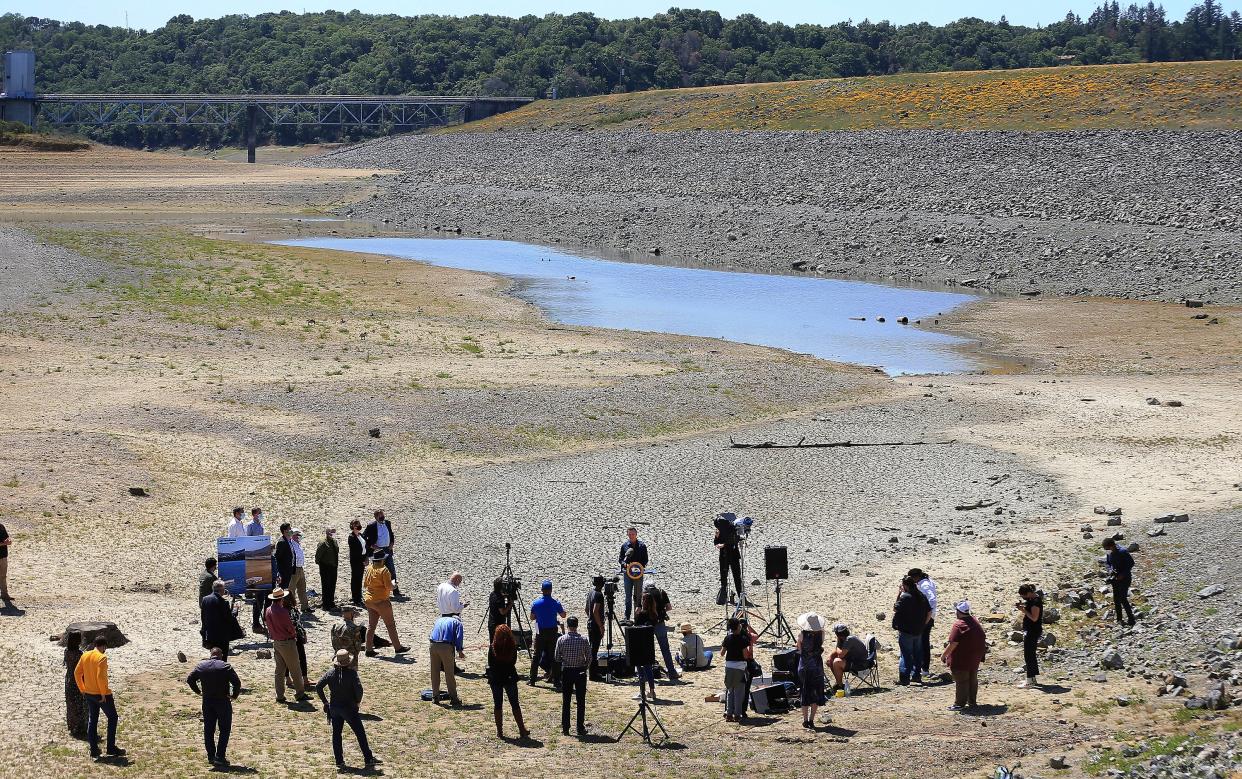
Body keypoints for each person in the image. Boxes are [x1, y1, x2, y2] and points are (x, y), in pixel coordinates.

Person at [316, 649, 380, 770]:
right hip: (349, 708)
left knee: (336, 735)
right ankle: (368, 758)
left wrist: (325, 702)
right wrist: (357, 702)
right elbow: (359, 690)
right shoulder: (352, 674)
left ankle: (339, 761)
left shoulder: (330, 673)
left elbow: (319, 686)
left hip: (334, 708)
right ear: (348, 662)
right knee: (360, 733)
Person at [186, 646, 241, 767]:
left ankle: (211, 755)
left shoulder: (201, 666)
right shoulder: (225, 666)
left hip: (207, 701)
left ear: (210, 655)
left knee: (209, 729)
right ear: (221, 655)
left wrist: (198, 692)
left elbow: (190, 679)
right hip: (223, 701)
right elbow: (237, 683)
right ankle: (220, 756)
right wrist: (234, 696)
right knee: (224, 729)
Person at [73, 635, 126, 759]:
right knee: (112, 718)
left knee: (93, 719)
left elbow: (77, 673)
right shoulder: (102, 658)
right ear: (103, 646)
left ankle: (93, 749)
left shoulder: (85, 655)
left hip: (89, 693)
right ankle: (111, 748)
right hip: (101, 694)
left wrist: (82, 689)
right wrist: (103, 694)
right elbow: (100, 677)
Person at [263, 587, 309, 703]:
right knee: (295, 668)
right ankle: (300, 694)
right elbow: (290, 627)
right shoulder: (282, 611)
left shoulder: (268, 610)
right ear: (281, 598)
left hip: (276, 642)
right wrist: (293, 635)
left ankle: (280, 695)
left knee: (279, 670)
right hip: (287, 642)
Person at [942, 600, 986, 711]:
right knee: (972, 679)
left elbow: (953, 643)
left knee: (961, 680)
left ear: (958, 612)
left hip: (962, 658)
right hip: (975, 656)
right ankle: (972, 701)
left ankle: (959, 704)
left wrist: (944, 655)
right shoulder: (975, 621)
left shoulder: (959, 625)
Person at [487, 624, 529, 740]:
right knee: (515, 703)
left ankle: (499, 732)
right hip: (509, 676)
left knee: (498, 704)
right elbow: (513, 661)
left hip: (496, 677)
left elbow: (490, 663)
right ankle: (522, 729)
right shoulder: (512, 647)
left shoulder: (493, 646)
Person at [363, 552, 408, 657]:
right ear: (382, 560)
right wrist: (394, 586)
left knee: (371, 626)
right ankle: (397, 647)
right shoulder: (384, 570)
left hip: (369, 600)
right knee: (390, 625)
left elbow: (365, 584)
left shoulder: (369, 568)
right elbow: (389, 587)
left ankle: (368, 649)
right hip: (381, 601)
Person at [554, 616, 592, 736]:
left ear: (568, 625)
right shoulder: (584, 639)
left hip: (567, 671)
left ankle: (566, 727)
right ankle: (580, 727)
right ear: (577, 625)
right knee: (581, 701)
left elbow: (556, 657)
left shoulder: (561, 639)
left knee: (566, 700)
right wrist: (584, 667)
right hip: (580, 671)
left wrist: (564, 661)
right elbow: (590, 657)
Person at [892, 575, 929, 685]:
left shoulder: (905, 597)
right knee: (917, 653)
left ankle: (904, 677)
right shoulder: (921, 595)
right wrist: (923, 625)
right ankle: (916, 675)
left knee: (905, 654)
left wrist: (899, 593)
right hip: (918, 630)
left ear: (905, 586)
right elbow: (929, 612)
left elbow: (895, 608)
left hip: (906, 630)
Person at [529, 579, 566, 688]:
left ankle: (532, 680)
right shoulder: (555, 603)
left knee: (536, 655)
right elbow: (563, 615)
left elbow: (532, 617)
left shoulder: (536, 603)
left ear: (542, 590)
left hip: (540, 631)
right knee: (554, 656)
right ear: (551, 590)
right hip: (552, 631)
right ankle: (556, 681)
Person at [642, 581, 680, 682]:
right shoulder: (661, 592)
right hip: (660, 623)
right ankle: (672, 672)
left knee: (648, 650)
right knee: (665, 649)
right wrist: (660, 612)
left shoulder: (644, 595)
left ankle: (647, 674)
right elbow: (669, 607)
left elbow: (639, 610)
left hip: (647, 625)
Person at [796, 612, 827, 729]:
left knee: (805, 691)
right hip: (817, 665)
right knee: (815, 692)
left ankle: (805, 720)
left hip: (804, 665)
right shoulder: (821, 634)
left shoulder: (801, 634)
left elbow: (799, 648)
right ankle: (811, 719)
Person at [429, 613, 465, 706]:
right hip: (446, 646)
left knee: (435, 671)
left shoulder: (439, 620)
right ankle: (454, 698)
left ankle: (435, 697)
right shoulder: (458, 623)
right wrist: (460, 650)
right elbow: (459, 637)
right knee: (449, 673)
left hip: (433, 645)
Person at [201, 580, 243, 658]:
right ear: (222, 590)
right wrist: (235, 610)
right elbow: (229, 618)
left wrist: (203, 632)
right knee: (222, 657)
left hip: (210, 633)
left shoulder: (205, 599)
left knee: (214, 655)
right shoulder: (223, 602)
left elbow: (203, 617)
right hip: (221, 635)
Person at [362, 509, 399, 597]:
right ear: (376, 517)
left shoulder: (387, 523)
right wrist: (371, 545)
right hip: (377, 552)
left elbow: (391, 534)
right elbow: (363, 537)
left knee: (391, 570)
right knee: (377, 571)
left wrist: (392, 543)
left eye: (383, 515)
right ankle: (377, 590)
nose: (382, 517)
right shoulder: (371, 526)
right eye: (380, 516)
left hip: (387, 549)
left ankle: (395, 590)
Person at [909, 568, 938, 678]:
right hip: (927, 616)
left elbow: (932, 600)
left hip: (926, 617)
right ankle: (922, 667)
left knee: (923, 642)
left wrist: (927, 615)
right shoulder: (926, 582)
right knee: (923, 641)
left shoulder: (925, 585)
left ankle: (924, 667)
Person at [1102, 538, 1137, 627]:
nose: (1106, 550)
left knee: (1123, 598)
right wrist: (1110, 571)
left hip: (1125, 579)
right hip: (1115, 579)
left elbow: (1131, 563)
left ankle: (1131, 619)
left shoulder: (1123, 551)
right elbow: (1108, 564)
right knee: (1116, 599)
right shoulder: (1110, 553)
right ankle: (1119, 619)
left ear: (1111, 545)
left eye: (1106, 547)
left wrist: (1123, 574)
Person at [721, 617, 750, 722]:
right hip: (740, 667)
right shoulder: (742, 639)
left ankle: (729, 714)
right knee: (739, 692)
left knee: (730, 691)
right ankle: (737, 714)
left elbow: (722, 653)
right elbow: (745, 655)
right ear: (738, 626)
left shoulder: (727, 638)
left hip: (729, 666)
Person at [828, 623, 869, 694]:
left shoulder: (849, 639)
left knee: (837, 662)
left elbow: (840, 655)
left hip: (861, 665)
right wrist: (831, 657)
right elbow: (839, 652)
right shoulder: (846, 639)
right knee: (830, 660)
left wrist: (838, 645)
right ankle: (838, 683)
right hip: (854, 660)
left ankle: (840, 686)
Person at [631, 596, 659, 701]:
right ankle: (652, 691)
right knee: (648, 668)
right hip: (649, 644)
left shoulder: (641, 614)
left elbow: (635, 628)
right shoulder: (654, 614)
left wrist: (636, 613)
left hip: (639, 644)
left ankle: (642, 691)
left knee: (640, 669)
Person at [618, 527, 648, 621]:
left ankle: (637, 616)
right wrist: (624, 564)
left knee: (638, 595)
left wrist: (639, 566)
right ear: (627, 535)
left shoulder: (642, 546)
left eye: (633, 534)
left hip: (638, 574)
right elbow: (621, 559)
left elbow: (645, 560)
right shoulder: (624, 546)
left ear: (636, 534)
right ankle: (627, 616)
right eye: (629, 534)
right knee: (628, 596)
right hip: (627, 574)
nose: (631, 536)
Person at [1017, 583, 1043, 688]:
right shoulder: (1032, 600)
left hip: (1033, 631)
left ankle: (1029, 681)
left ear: (1028, 593)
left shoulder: (1036, 602)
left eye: (1024, 596)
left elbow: (1034, 618)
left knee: (1029, 655)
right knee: (1029, 654)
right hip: (1030, 630)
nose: (1024, 598)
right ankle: (1032, 679)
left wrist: (1023, 610)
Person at [714, 512, 743, 606]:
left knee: (737, 577)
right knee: (724, 577)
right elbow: (716, 542)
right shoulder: (720, 530)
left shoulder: (733, 528)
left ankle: (741, 596)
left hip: (732, 554)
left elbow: (734, 540)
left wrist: (724, 544)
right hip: (724, 555)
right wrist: (718, 540)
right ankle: (723, 597)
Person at [331, 605, 365, 669]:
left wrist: (337, 650)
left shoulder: (336, 625)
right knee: (351, 676)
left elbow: (333, 641)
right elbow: (357, 646)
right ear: (352, 614)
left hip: (339, 655)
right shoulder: (354, 628)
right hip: (350, 658)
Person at [585, 576, 605, 680]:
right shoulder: (598, 595)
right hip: (595, 625)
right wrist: (601, 626)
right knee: (594, 650)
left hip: (590, 623)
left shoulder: (590, 593)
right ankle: (593, 674)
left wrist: (591, 618)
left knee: (592, 648)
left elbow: (587, 609)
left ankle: (591, 671)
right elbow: (595, 611)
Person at [315, 527, 339, 612]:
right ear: (326, 533)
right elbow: (317, 556)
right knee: (326, 585)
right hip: (325, 567)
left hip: (333, 566)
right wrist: (322, 565)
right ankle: (326, 604)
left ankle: (331, 601)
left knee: (332, 584)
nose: (331, 534)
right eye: (330, 532)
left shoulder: (334, 541)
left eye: (333, 532)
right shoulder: (323, 543)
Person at [288, 528, 311, 613]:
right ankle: (292, 607)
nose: (299, 536)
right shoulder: (291, 545)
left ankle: (305, 606)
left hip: (300, 568)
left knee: (302, 588)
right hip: (294, 569)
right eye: (297, 535)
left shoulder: (298, 544)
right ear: (293, 536)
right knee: (292, 589)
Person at [487, 577, 513, 645]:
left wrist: (504, 596)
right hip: (498, 625)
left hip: (491, 623)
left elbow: (497, 601)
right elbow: (503, 612)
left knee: (492, 643)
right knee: (498, 644)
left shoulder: (492, 594)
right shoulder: (499, 598)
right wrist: (510, 604)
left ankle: (491, 655)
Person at [347, 519, 366, 606]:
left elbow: (364, 548)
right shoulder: (351, 537)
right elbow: (355, 550)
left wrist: (366, 558)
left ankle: (359, 596)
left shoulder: (361, 535)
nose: (358, 527)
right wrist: (362, 559)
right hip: (356, 561)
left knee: (360, 578)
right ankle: (356, 598)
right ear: (352, 527)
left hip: (362, 559)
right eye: (356, 525)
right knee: (355, 578)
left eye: (359, 525)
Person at [274, 523, 294, 588]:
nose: (291, 530)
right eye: (290, 529)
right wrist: (279, 572)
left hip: (289, 570)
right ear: (285, 531)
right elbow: (277, 557)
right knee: (283, 589)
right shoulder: (282, 542)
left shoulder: (289, 540)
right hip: (284, 571)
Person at [0, 520, 10, 601]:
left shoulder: (1, 526)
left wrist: (8, 541)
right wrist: (4, 543)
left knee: (3, 576)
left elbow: (6, 538)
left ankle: (4, 595)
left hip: (3, 556)